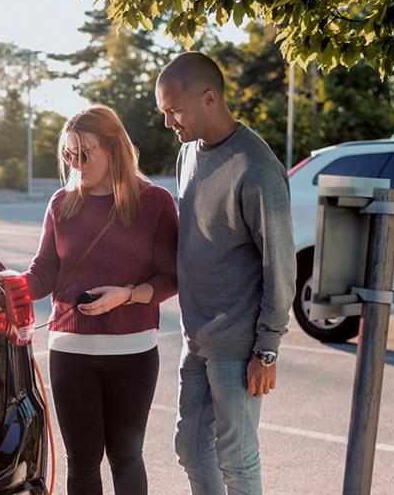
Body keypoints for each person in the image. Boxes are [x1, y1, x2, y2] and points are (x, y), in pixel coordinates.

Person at [155, 51, 296, 495]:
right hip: (196, 335)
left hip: (238, 345)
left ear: (210, 97)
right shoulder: (188, 155)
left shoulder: (256, 166)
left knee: (236, 459)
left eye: (174, 111)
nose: (168, 123)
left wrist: (267, 350)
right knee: (191, 448)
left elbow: (281, 261)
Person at [24, 104, 178, 495]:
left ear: (114, 148)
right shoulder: (62, 204)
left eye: (85, 152)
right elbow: (43, 272)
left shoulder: (155, 203)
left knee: (126, 459)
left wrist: (127, 295)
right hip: (69, 350)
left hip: (133, 351)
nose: (76, 163)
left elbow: (172, 276)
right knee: (82, 464)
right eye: (68, 153)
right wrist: (5, 290)